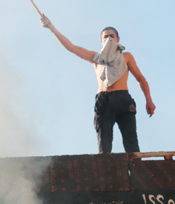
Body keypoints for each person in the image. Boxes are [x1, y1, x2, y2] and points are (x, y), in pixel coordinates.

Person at [40, 15, 155, 154]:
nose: (109, 39)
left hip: (123, 99)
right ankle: (106, 171)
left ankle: (137, 171)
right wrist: (51, 28)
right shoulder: (96, 58)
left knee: (131, 140)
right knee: (104, 143)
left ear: (118, 39)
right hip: (104, 100)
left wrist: (149, 100)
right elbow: (71, 47)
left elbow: (141, 79)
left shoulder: (126, 56)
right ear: (101, 41)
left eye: (112, 36)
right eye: (105, 37)